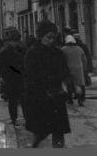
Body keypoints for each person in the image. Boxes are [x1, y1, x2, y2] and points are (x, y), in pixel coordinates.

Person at [24, 20, 71, 148]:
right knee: (39, 131)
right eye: (48, 37)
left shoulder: (58, 53)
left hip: (56, 97)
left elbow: (65, 71)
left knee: (58, 131)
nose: (51, 41)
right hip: (40, 97)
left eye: (53, 38)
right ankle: (35, 143)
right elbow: (29, 76)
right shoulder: (32, 53)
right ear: (41, 36)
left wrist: (65, 84)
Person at [0, 31, 26, 126]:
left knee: (12, 101)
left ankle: (14, 119)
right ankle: (27, 119)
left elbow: (3, 66)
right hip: (22, 78)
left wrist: (2, 77)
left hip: (11, 79)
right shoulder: (24, 48)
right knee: (23, 101)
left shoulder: (6, 50)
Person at [61, 35, 87, 107]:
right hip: (78, 69)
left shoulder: (63, 49)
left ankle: (70, 99)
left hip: (68, 69)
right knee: (79, 85)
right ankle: (80, 100)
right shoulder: (79, 49)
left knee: (69, 85)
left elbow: (61, 60)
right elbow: (84, 60)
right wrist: (84, 69)